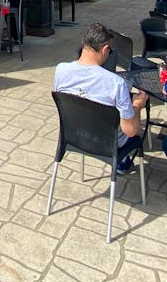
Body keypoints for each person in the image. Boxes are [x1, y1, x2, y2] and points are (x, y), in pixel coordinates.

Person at [54, 22, 148, 174]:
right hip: (108, 143)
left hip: (74, 135)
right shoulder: (116, 83)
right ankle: (122, 162)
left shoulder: (61, 70)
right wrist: (137, 105)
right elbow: (130, 130)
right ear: (105, 49)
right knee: (130, 126)